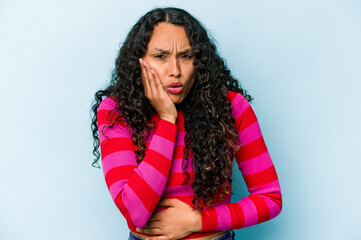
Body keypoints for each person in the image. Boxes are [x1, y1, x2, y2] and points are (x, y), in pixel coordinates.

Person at [91, 7, 282, 240]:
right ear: (139, 62)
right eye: (160, 57)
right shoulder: (115, 111)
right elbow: (135, 213)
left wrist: (197, 221)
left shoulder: (232, 107)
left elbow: (270, 198)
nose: (175, 71)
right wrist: (167, 120)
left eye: (186, 56)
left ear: (198, 61)